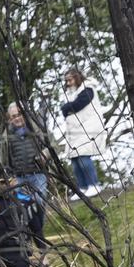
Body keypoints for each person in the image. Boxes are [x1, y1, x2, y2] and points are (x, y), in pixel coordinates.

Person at [0, 103, 52, 247]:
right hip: (18, 177)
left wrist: (45, 154)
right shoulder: (6, 135)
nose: (17, 118)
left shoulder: (37, 127)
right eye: (14, 116)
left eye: (19, 114)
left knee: (38, 203)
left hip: (38, 174)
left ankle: (38, 234)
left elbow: (52, 145)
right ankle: (30, 237)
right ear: (9, 119)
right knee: (24, 208)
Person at [59, 68, 109, 198]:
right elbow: (67, 108)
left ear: (77, 77)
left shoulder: (88, 89)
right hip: (76, 130)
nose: (68, 83)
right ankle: (83, 187)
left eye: (70, 79)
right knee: (75, 160)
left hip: (87, 128)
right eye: (66, 81)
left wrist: (67, 108)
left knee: (83, 157)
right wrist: (67, 108)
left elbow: (78, 104)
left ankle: (94, 185)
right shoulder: (71, 93)